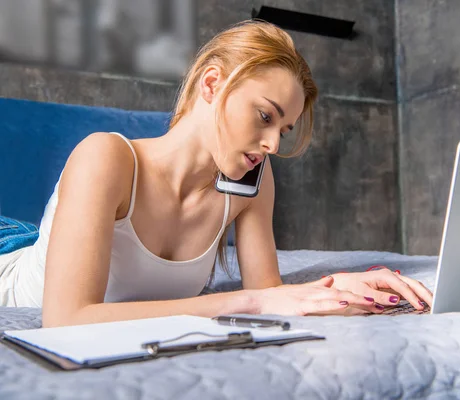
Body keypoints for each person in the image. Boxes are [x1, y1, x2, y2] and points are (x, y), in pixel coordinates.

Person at [0, 20, 432, 327]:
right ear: (211, 85)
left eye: (283, 130)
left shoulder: (250, 186)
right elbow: (67, 318)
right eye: (264, 115)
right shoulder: (105, 157)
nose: (273, 145)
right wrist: (253, 302)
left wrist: (343, 286)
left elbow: (273, 293)